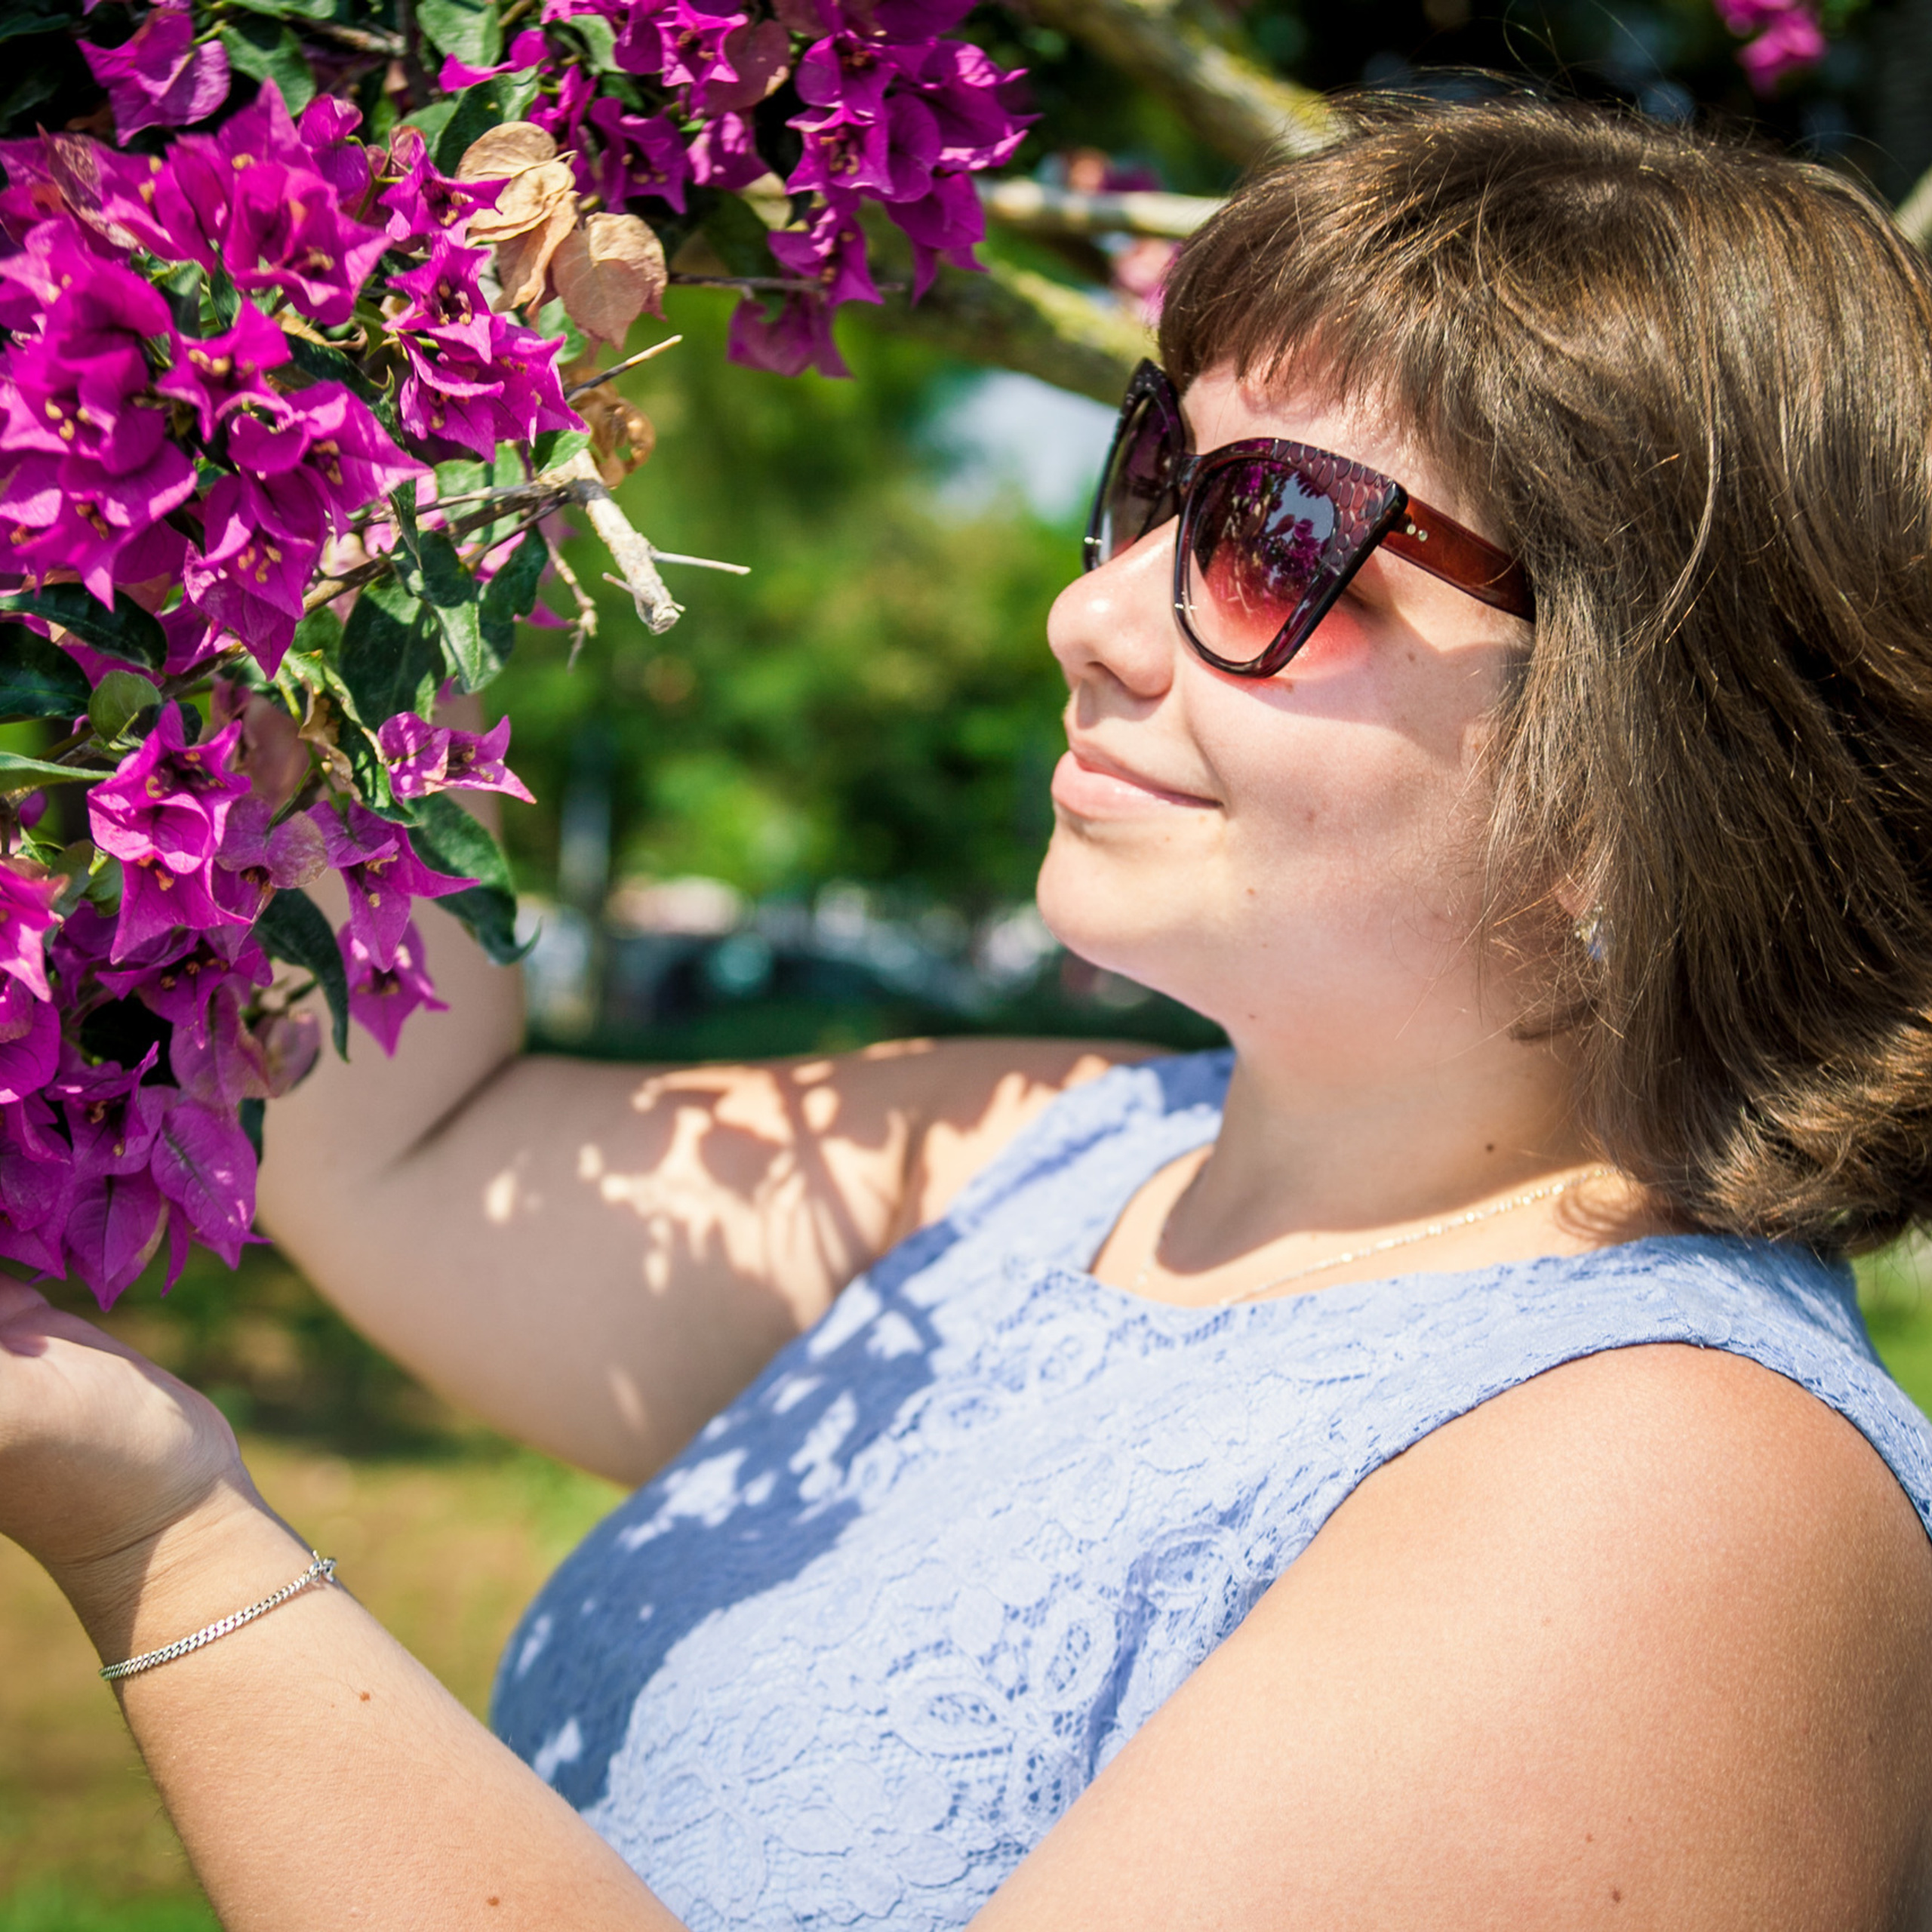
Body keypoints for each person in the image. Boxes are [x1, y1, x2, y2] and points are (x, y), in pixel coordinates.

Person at [5, 91, 1932, 1930]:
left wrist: (169, 1543)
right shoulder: (1040, 1158)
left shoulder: (1679, 1500)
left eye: (1275, 535)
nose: (1087, 616)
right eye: (1154, 474)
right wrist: (341, 445)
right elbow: (402, 1153)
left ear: (1646, 767)